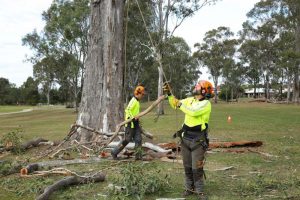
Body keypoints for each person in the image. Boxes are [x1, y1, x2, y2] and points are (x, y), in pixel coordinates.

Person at [163, 80, 213, 199]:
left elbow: (193, 112)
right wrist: (170, 94)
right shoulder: (190, 100)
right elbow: (175, 104)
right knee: (187, 166)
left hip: (198, 140)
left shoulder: (206, 104)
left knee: (197, 167)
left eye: (198, 86)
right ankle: (189, 188)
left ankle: (199, 190)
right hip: (185, 138)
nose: (195, 87)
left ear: (204, 91)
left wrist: (180, 105)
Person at [111, 85, 145, 160]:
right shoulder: (133, 101)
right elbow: (127, 110)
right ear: (138, 93)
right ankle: (114, 152)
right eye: (142, 94)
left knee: (138, 139)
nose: (142, 96)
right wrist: (131, 118)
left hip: (136, 124)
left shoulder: (137, 101)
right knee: (127, 140)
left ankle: (138, 156)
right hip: (130, 124)